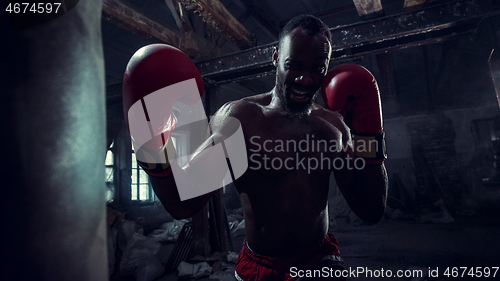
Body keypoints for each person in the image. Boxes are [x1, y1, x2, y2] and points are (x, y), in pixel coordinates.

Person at [124, 14, 388, 281]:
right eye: (293, 65)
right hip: (261, 268)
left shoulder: (334, 126)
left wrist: (370, 135)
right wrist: (149, 138)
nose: (305, 79)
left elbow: (371, 209)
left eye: (317, 69)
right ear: (275, 58)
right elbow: (182, 205)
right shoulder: (241, 120)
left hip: (320, 262)